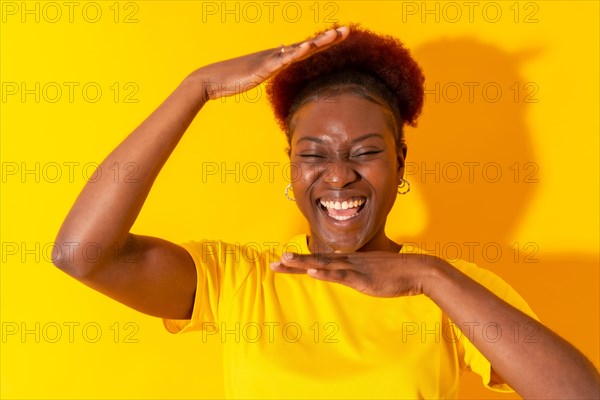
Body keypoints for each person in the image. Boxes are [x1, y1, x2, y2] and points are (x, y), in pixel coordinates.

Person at [52, 23, 599, 399]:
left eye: (365, 152)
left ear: (401, 162)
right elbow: (81, 256)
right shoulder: (241, 279)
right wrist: (197, 87)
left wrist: (426, 274)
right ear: (290, 167)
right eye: (313, 155)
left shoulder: (448, 289)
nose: (338, 176)